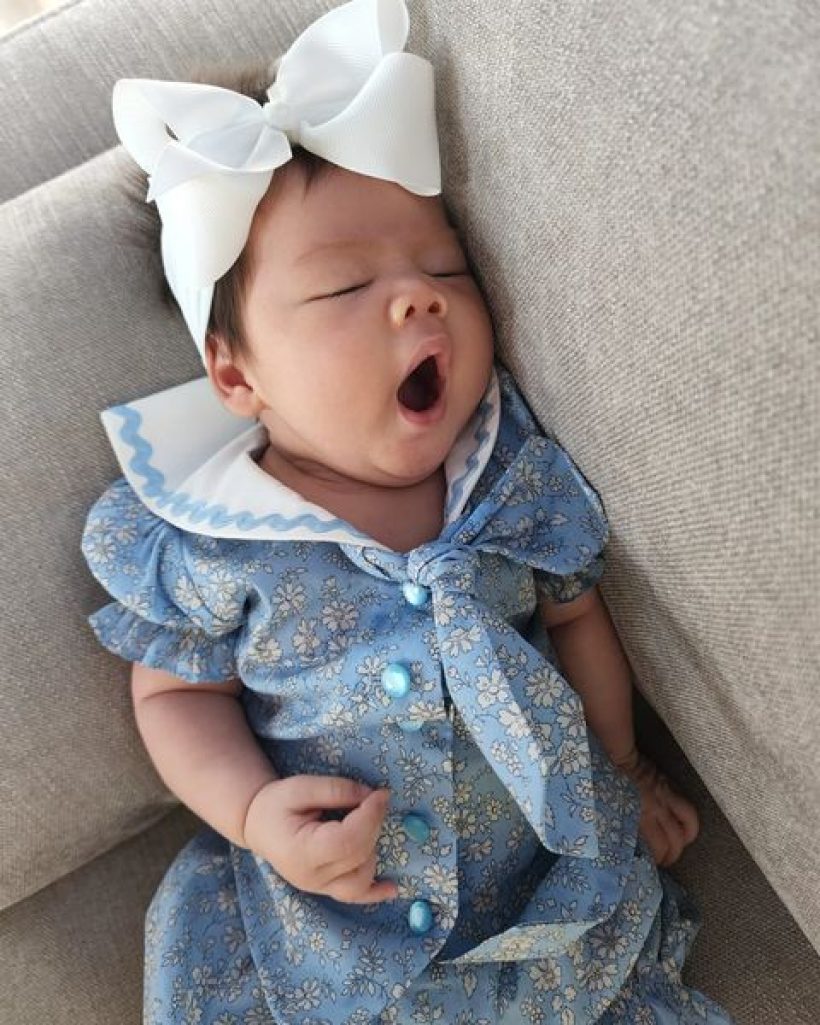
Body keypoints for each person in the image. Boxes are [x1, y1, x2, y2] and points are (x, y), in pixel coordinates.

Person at [80, 1, 736, 1022]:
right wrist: (254, 813)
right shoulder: (212, 536)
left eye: (443, 270)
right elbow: (174, 696)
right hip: (332, 924)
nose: (417, 298)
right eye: (345, 285)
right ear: (237, 375)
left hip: (534, 894)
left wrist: (622, 767)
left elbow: (575, 620)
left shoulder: (505, 477)